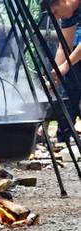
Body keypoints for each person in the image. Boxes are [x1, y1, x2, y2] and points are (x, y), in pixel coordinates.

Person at [43, 0, 81, 141]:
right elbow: (63, 47)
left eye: (56, 12)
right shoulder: (68, 15)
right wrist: (55, 75)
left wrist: (65, 66)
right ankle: (65, 137)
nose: (57, 17)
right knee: (70, 86)